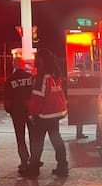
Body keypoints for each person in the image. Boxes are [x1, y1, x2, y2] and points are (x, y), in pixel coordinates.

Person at [20, 49, 69, 178]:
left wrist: (32, 114)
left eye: (37, 58)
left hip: (43, 115)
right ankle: (63, 167)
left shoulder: (42, 76)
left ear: (41, 60)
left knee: (37, 142)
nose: (35, 60)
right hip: (55, 114)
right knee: (56, 139)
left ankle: (33, 169)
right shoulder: (55, 74)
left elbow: (37, 98)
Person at [3, 62, 34, 172]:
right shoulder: (31, 78)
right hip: (31, 111)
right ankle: (34, 160)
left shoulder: (9, 80)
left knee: (20, 138)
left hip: (17, 112)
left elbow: (7, 99)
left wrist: (9, 110)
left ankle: (24, 161)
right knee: (33, 136)